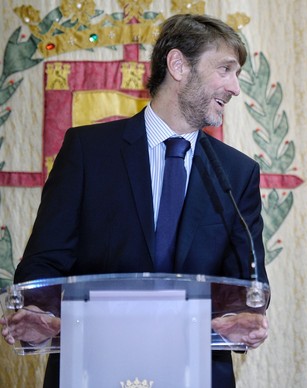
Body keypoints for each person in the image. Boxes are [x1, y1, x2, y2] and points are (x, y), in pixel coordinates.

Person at [1, 14, 268, 388]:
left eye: (236, 74)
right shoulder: (88, 152)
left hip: (196, 370)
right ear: (178, 65)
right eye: (225, 70)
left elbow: (247, 282)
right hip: (92, 367)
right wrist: (35, 309)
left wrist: (246, 314)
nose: (235, 88)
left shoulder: (237, 174)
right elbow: (45, 261)